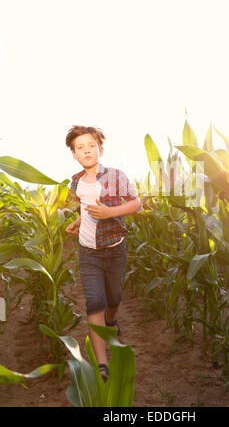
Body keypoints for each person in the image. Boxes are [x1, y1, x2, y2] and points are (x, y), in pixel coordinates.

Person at [65, 125, 141, 381]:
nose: (86, 150)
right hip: (89, 254)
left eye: (91, 146)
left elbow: (136, 203)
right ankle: (102, 363)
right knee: (94, 302)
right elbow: (84, 209)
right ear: (74, 154)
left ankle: (112, 319)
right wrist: (77, 222)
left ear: (100, 149)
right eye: (80, 147)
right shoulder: (75, 182)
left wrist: (110, 213)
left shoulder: (116, 176)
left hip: (115, 250)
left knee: (114, 298)